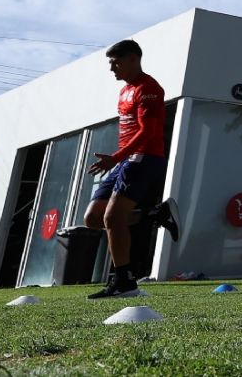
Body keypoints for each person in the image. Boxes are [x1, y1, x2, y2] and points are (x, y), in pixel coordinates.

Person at [85, 39, 182, 299]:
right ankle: (154, 215)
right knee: (93, 218)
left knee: (112, 218)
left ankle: (124, 282)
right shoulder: (125, 91)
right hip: (125, 160)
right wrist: (118, 158)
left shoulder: (149, 88)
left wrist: (116, 157)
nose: (112, 69)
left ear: (133, 59)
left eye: (115, 63)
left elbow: (148, 131)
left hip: (144, 158)